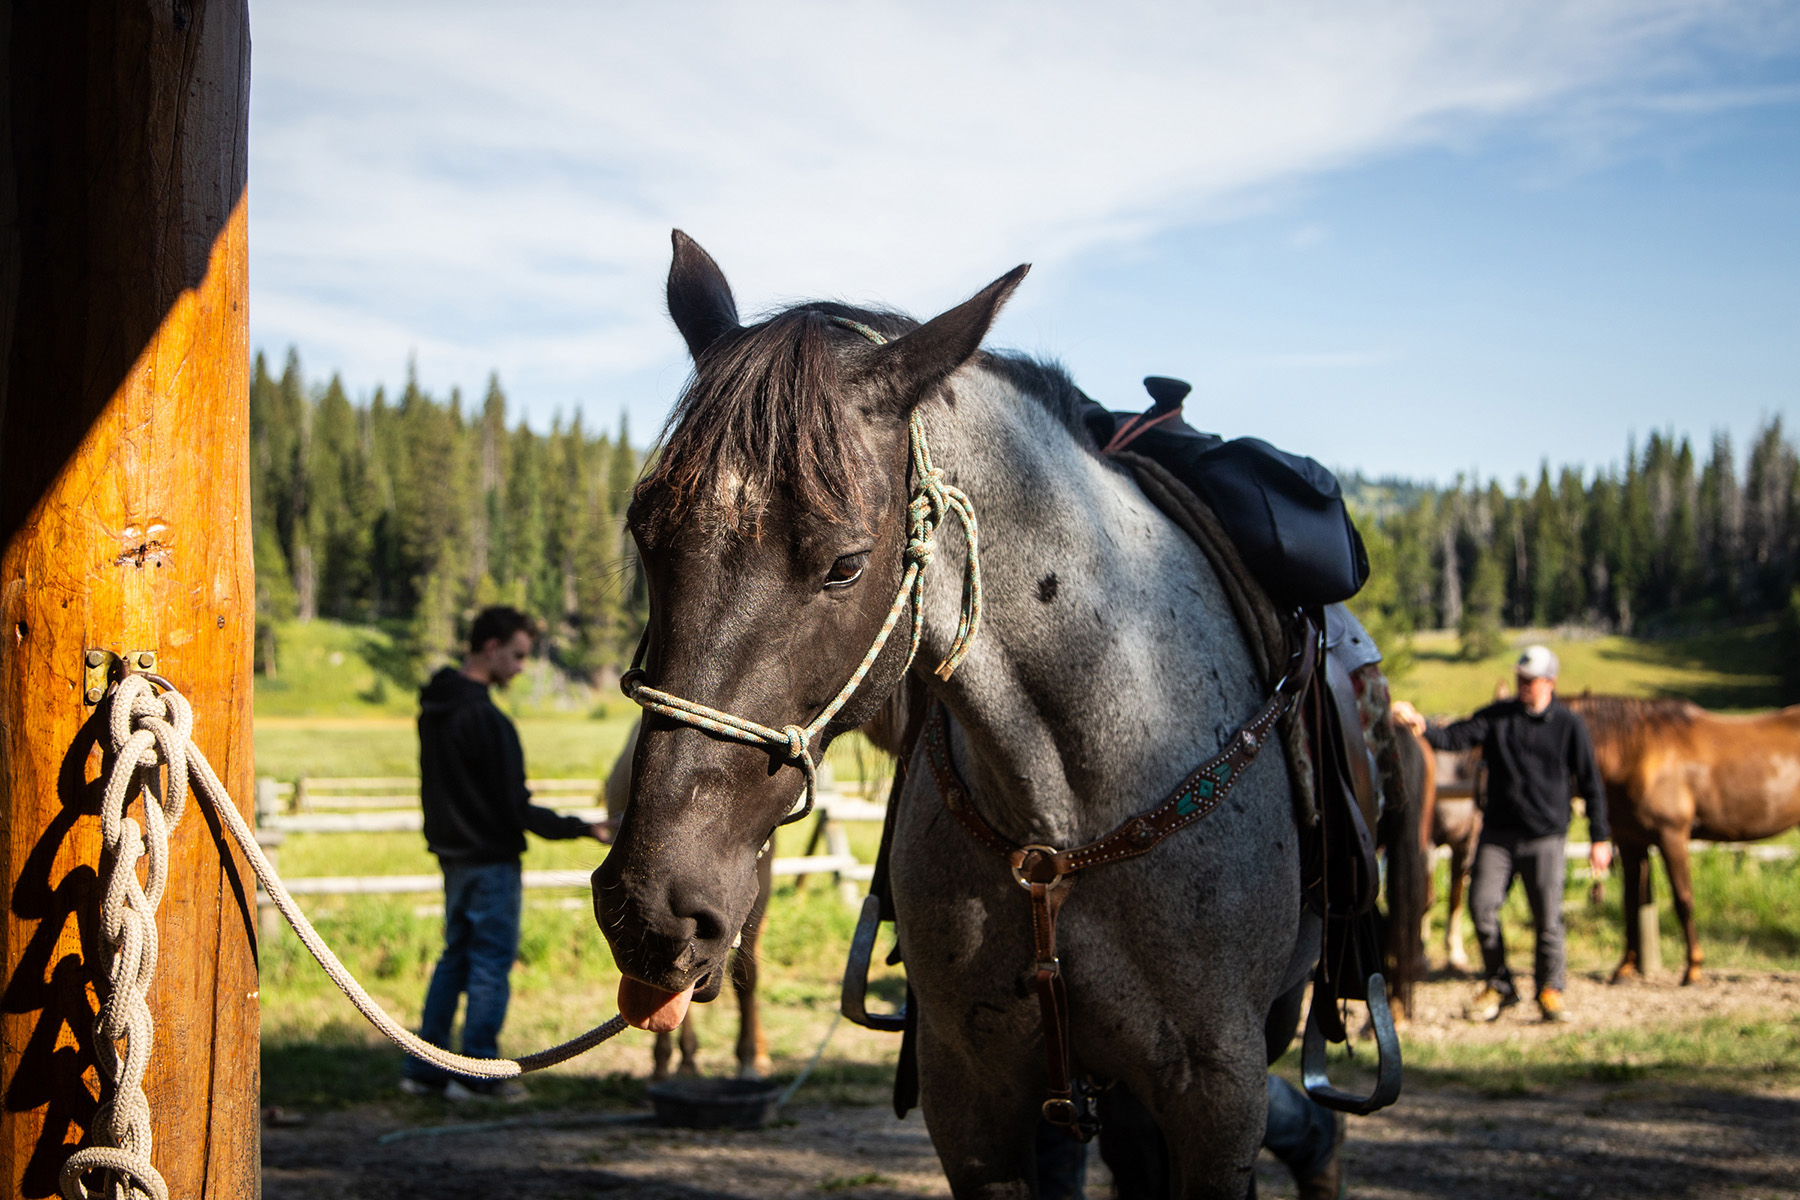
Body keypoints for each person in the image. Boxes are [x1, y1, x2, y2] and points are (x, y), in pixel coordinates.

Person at [399, 606, 613, 1100]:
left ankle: (424, 1069)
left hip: (452, 857)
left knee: (455, 957)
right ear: (491, 648)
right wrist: (587, 828)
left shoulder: (436, 708)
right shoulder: (488, 721)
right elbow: (517, 809)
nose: (521, 668)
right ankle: (478, 1075)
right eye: (517, 656)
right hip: (491, 860)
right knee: (491, 962)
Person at [1392, 644, 1611, 1023]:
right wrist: (1419, 723)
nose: (1522, 685)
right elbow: (1454, 736)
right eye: (1520, 679)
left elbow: (1591, 783)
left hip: (1545, 836)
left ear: (1550, 683)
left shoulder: (1569, 725)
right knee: (1481, 906)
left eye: (1530, 680)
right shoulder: (1498, 718)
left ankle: (1550, 989)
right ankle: (1500, 983)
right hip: (1498, 836)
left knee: (1547, 918)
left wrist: (1600, 837)